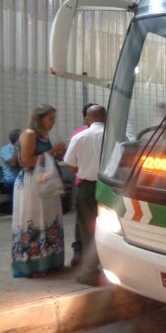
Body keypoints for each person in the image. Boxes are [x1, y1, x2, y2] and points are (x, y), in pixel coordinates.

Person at [11, 105, 66, 278]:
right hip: (31, 184)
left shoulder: (44, 135)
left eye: (54, 119)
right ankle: (32, 265)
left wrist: (58, 154)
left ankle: (48, 260)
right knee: (33, 221)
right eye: (50, 118)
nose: (53, 122)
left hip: (45, 182)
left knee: (48, 219)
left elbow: (43, 158)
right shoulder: (29, 134)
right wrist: (52, 151)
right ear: (39, 118)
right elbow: (26, 161)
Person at [63, 105, 106, 286]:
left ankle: (91, 271)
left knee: (88, 228)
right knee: (112, 228)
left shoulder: (80, 137)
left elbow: (71, 167)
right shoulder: (116, 137)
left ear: (88, 119)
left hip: (87, 187)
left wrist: (85, 166)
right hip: (110, 187)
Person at [67, 102, 95, 267]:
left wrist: (84, 169)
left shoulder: (78, 134)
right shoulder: (79, 134)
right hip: (98, 182)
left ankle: (81, 253)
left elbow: (71, 165)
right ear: (87, 118)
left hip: (83, 181)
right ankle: (81, 251)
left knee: (83, 220)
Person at [0, 129, 22, 193]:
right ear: (18, 139)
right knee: (20, 185)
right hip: (10, 179)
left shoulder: (23, 148)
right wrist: (17, 147)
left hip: (21, 177)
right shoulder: (5, 149)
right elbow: (13, 163)